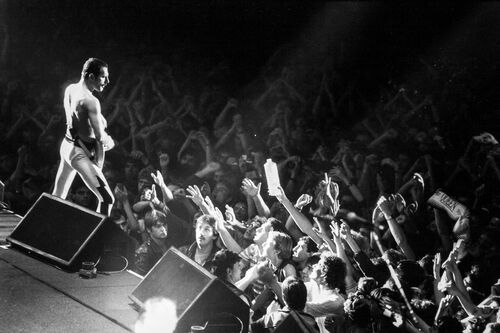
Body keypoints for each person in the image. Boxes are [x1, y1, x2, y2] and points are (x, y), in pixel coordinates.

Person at [52, 57, 115, 215]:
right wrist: (111, 141)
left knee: (58, 196)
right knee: (107, 199)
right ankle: (98, 240)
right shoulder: (91, 101)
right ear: (91, 77)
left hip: (67, 146)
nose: (107, 81)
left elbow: (74, 119)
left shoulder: (70, 89)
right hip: (78, 153)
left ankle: (38, 232)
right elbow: (101, 138)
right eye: (103, 76)